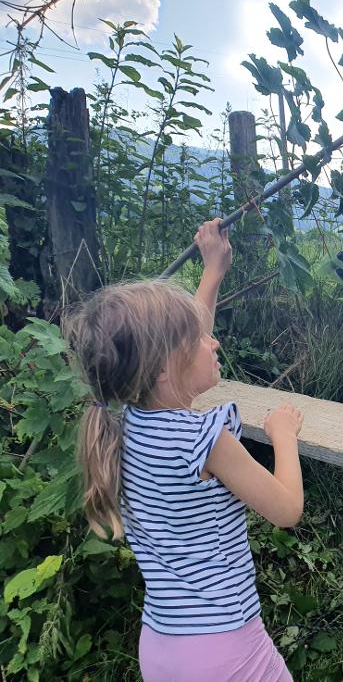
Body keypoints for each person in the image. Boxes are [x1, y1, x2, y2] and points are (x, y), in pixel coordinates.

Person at [64, 219, 305, 681]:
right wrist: (283, 437)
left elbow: (178, 351)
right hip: (228, 650)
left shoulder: (122, 425)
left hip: (163, 647)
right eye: (199, 340)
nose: (212, 341)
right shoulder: (205, 440)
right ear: (162, 368)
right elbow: (287, 509)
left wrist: (212, 272)